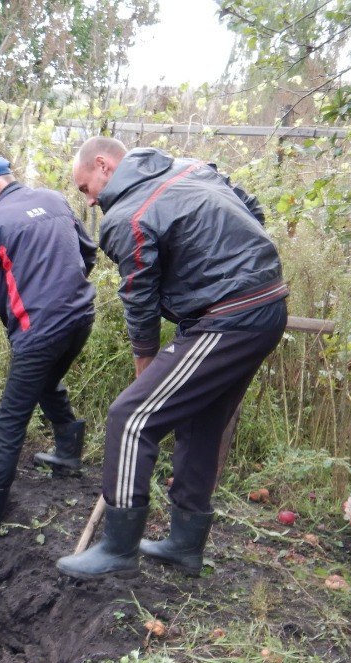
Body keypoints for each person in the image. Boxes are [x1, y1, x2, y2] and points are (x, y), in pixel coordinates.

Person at [57, 137, 288, 580]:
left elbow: (139, 298)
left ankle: (117, 549)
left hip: (228, 317)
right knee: (201, 422)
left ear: (103, 166)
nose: (88, 201)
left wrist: (144, 362)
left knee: (131, 416)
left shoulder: (128, 216)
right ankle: (184, 543)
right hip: (263, 304)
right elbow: (251, 211)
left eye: (86, 188)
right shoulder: (191, 168)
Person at [0, 155, 98, 544]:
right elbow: (88, 253)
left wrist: (25, 321)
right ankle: (68, 452)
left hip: (39, 329)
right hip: (81, 317)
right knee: (48, 380)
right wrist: (63, 292)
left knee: (10, 419)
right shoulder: (56, 201)